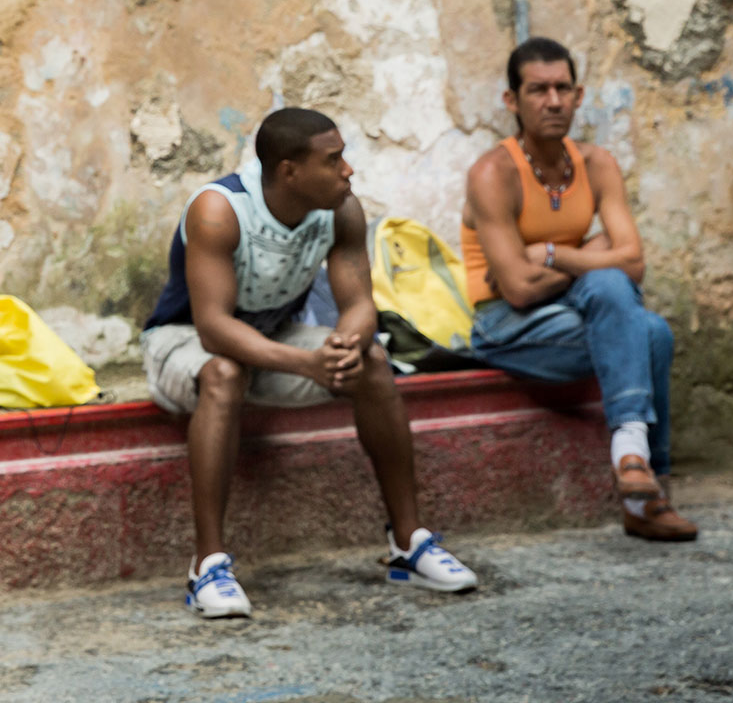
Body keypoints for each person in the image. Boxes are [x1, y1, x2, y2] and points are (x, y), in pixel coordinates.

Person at [140, 108, 479, 618]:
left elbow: (360, 304)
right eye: (334, 160)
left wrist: (345, 344)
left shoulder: (341, 210)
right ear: (288, 171)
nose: (348, 171)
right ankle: (207, 566)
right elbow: (213, 327)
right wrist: (306, 363)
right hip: (184, 343)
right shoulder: (220, 210)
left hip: (273, 340)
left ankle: (409, 544)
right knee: (224, 373)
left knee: (372, 359)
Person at [460, 37, 698, 543]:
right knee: (646, 330)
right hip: (507, 325)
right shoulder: (492, 173)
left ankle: (633, 463)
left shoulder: (597, 164)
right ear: (512, 101)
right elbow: (519, 291)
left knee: (626, 300)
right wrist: (593, 255)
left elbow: (634, 263)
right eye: (538, 90)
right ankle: (645, 485)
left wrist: (554, 254)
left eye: (563, 88)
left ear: (579, 94)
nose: (553, 101)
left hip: (575, 306)